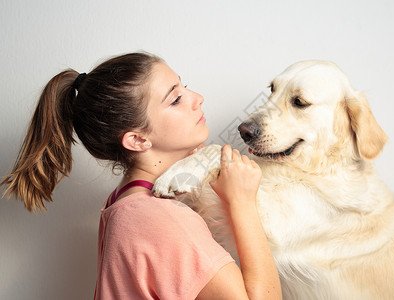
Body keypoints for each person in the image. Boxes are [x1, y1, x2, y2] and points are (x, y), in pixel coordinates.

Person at [1, 52, 282, 299]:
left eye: (185, 87)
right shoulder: (158, 218)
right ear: (137, 141)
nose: (198, 99)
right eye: (175, 99)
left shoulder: (124, 202)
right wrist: (243, 203)